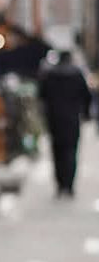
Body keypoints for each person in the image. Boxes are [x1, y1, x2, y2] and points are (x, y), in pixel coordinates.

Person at [37, 50, 91, 196]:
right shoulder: (77, 74)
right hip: (72, 119)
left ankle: (60, 184)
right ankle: (69, 184)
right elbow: (86, 96)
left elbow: (42, 95)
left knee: (57, 152)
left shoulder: (50, 75)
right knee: (71, 151)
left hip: (54, 119)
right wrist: (86, 114)